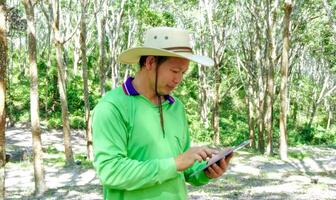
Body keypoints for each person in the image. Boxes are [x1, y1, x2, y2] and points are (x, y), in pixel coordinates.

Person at [91, 27, 233, 200]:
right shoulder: (112, 107)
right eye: (174, 71)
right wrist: (175, 163)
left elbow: (185, 170)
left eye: (183, 73)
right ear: (150, 62)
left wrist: (206, 172)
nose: (178, 79)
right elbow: (111, 172)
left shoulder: (176, 107)